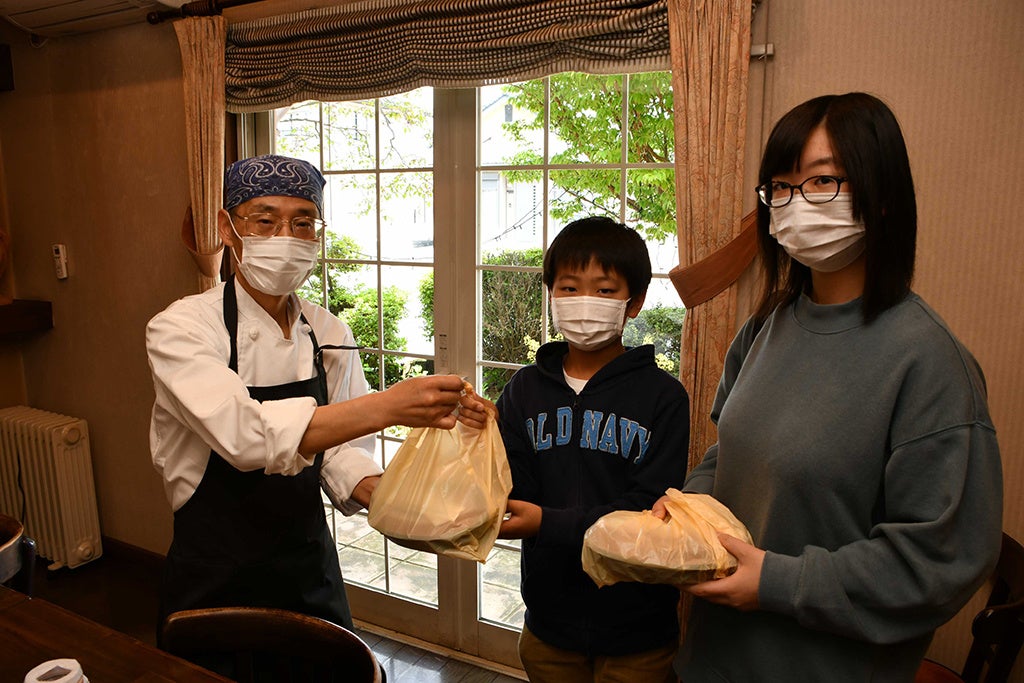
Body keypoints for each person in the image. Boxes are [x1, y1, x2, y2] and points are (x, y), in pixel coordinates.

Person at [653, 93, 1003, 682]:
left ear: (881, 197)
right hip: (708, 661)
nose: (795, 204)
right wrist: (688, 510)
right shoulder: (765, 325)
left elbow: (938, 562)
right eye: (780, 188)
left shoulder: (931, 364)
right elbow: (728, 454)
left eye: (821, 182)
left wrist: (778, 582)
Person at [146, 154, 487, 638]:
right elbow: (244, 437)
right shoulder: (182, 327)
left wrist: (399, 504)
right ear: (228, 227)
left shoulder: (327, 331)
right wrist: (388, 406)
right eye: (265, 220)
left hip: (307, 564)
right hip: (214, 571)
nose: (285, 237)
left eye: (303, 222)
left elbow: (338, 451)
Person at [495, 216, 691, 683]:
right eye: (569, 288)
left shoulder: (663, 397)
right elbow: (511, 487)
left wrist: (547, 522)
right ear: (551, 295)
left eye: (604, 290)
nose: (584, 301)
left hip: (638, 628)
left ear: (634, 302)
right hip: (548, 625)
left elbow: (649, 508)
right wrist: (476, 438)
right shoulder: (523, 390)